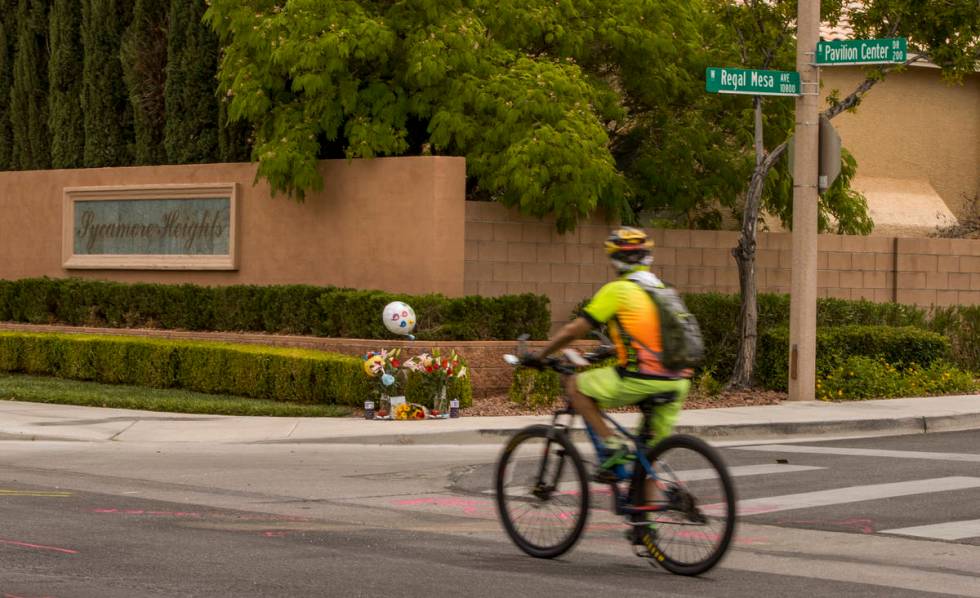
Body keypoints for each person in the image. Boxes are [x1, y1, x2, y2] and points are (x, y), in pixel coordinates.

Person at [523, 226, 691, 482]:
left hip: (643, 377)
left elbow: (573, 330)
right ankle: (646, 520)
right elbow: (654, 339)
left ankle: (613, 445)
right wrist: (609, 351)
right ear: (647, 256)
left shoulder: (618, 290)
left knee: (577, 386)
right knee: (646, 463)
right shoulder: (664, 290)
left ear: (614, 259)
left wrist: (540, 355)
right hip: (679, 381)